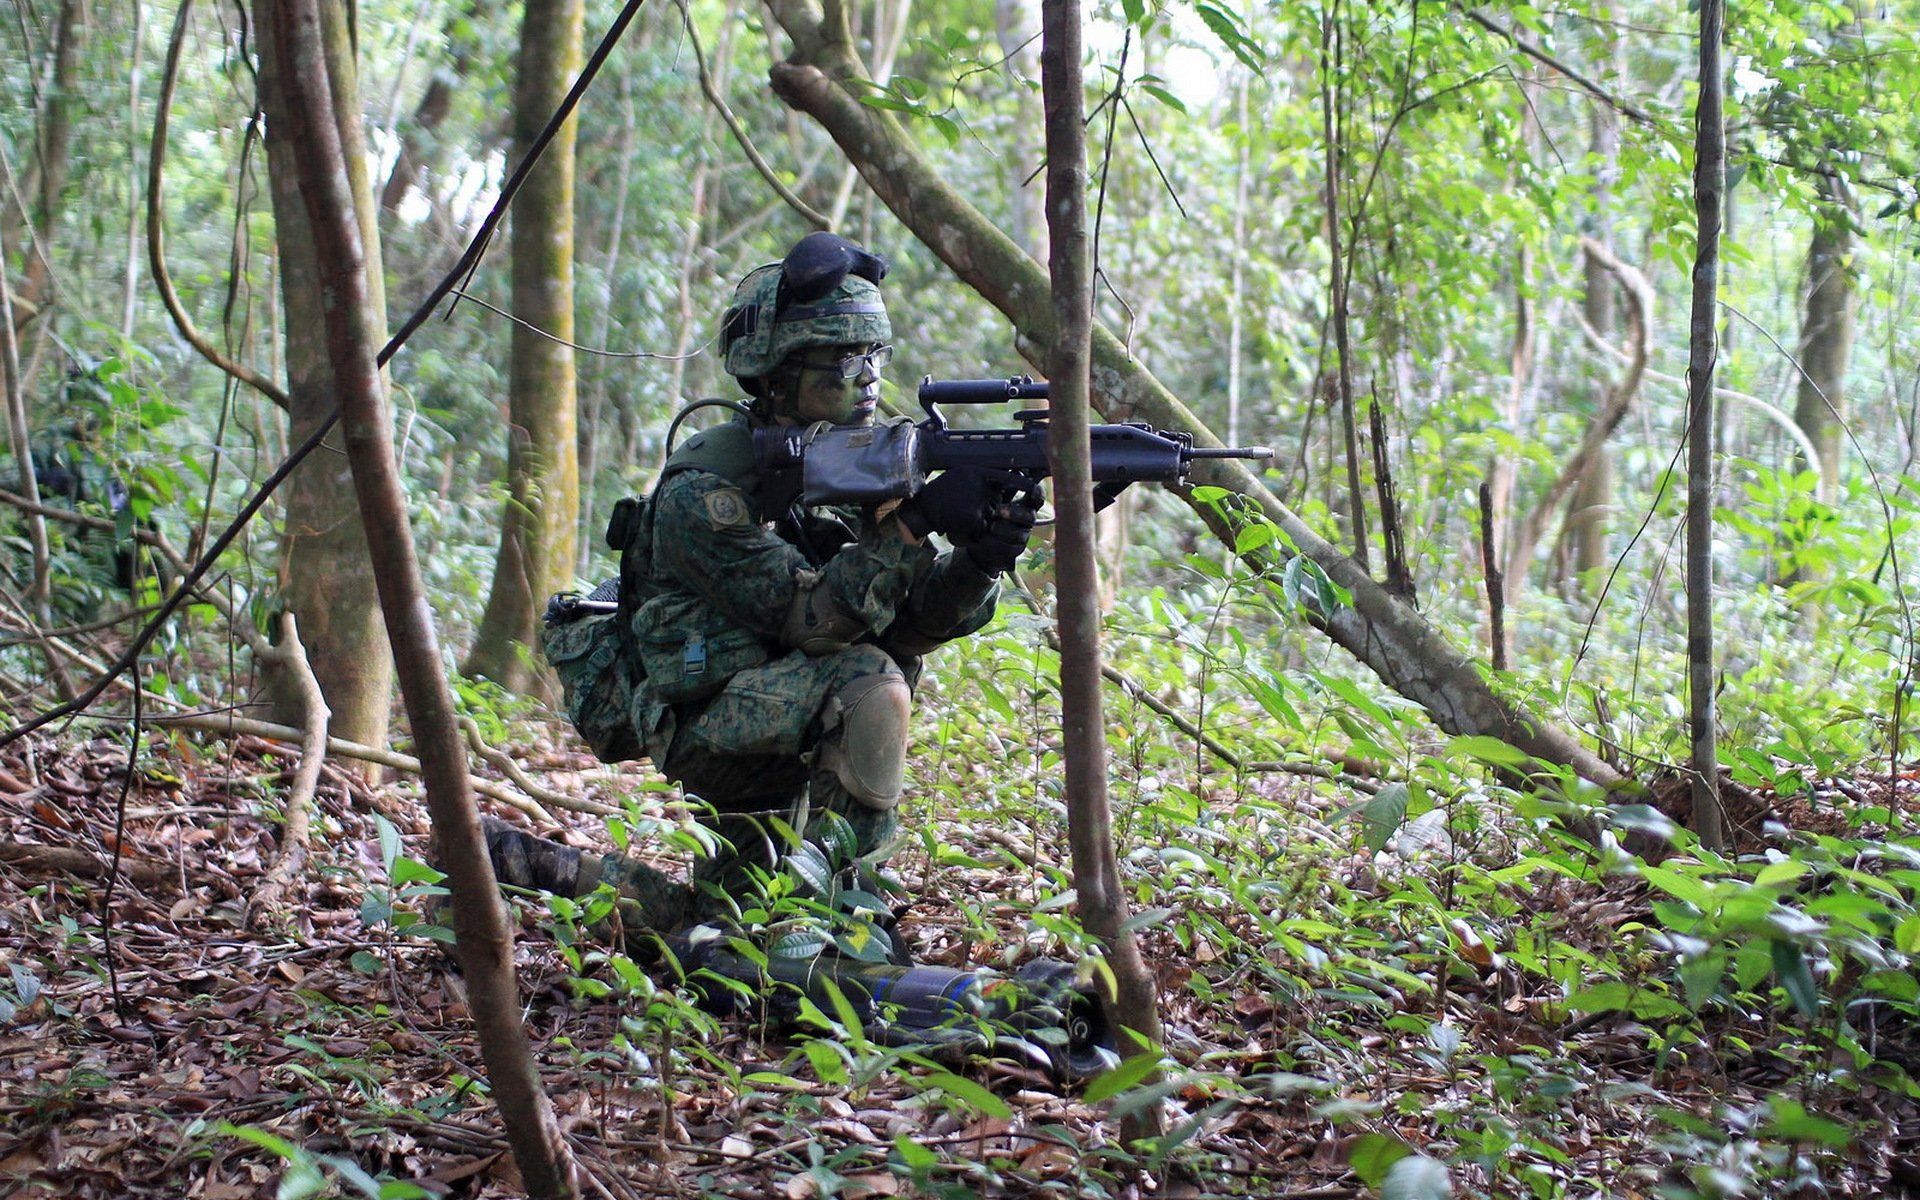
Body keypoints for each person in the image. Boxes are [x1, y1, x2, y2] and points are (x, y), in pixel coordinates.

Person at [487, 233, 1041, 958]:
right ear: (776, 374)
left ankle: (535, 864)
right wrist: (915, 520)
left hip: (779, 722)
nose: (868, 379)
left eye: (876, 357)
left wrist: (980, 557)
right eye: (842, 362)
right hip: (709, 726)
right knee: (871, 679)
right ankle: (833, 919)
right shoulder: (706, 493)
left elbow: (908, 624)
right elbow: (816, 622)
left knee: (715, 934)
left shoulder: (848, 468)